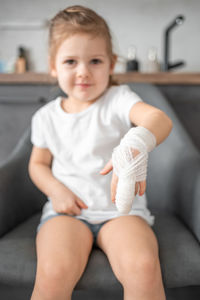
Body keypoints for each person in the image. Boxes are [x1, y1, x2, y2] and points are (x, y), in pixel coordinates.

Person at [29, 5, 172, 300]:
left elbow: (159, 120)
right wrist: (56, 190)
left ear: (111, 64)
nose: (83, 72)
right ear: (53, 66)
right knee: (53, 271)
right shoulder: (45, 117)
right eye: (70, 61)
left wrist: (136, 143)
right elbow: (38, 164)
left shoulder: (119, 100)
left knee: (143, 266)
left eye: (95, 60)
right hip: (67, 214)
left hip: (121, 212)